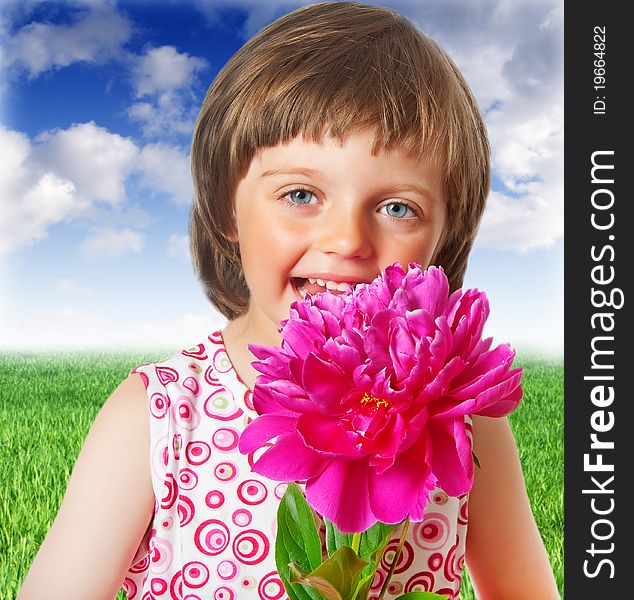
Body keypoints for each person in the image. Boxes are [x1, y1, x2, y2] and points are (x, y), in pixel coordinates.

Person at [18, 2, 560, 599]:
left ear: (444, 238)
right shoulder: (159, 416)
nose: (349, 241)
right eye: (301, 194)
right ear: (226, 208)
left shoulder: (461, 420)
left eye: (397, 208)